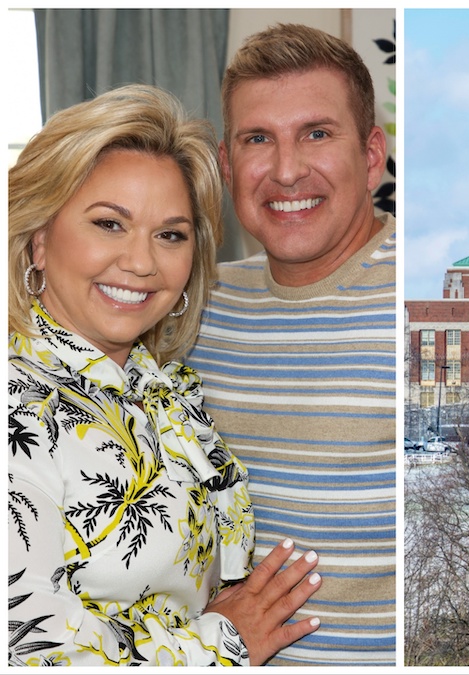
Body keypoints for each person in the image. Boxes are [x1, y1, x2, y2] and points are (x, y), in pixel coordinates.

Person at [7, 84, 324, 666]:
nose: (142, 262)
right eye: (109, 224)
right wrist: (223, 642)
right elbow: (29, 653)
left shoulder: (164, 391)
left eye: (170, 234)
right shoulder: (16, 410)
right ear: (39, 240)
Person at [188, 24, 396, 666]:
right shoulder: (191, 305)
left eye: (316, 133)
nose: (285, 170)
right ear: (227, 164)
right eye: (258, 139)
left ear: (370, 156)